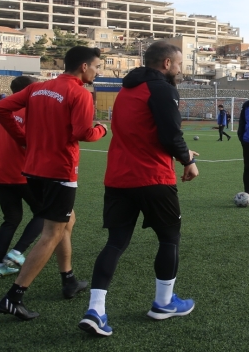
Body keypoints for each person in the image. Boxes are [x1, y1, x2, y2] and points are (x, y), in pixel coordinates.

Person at [78, 41, 199, 337]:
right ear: (167, 64)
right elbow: (170, 134)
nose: (181, 70)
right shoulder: (162, 89)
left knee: (116, 242)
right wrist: (187, 159)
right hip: (153, 177)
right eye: (179, 64)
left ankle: (96, 309)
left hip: (119, 177)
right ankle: (164, 303)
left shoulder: (127, 89)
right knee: (169, 239)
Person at [0, 46, 108, 320]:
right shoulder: (79, 92)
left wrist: (23, 138)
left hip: (33, 170)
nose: (98, 71)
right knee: (52, 232)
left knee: (66, 222)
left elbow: (0, 108)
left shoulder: (38, 88)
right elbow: (83, 133)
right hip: (60, 171)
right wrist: (102, 130)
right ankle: (13, 296)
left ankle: (68, 280)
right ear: (83, 67)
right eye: (97, 66)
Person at [0, 76, 44, 280]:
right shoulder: (33, 112)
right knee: (44, 213)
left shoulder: (2, 112)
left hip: (1, 172)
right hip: (24, 172)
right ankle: (17, 253)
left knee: (10, 220)